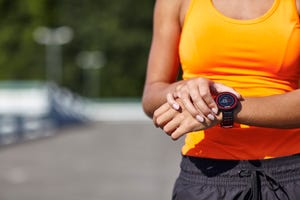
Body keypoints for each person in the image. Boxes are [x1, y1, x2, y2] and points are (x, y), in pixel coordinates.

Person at [142, 0, 300, 199]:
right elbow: (152, 95)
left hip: (291, 173)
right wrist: (188, 90)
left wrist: (223, 107)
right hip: (206, 176)